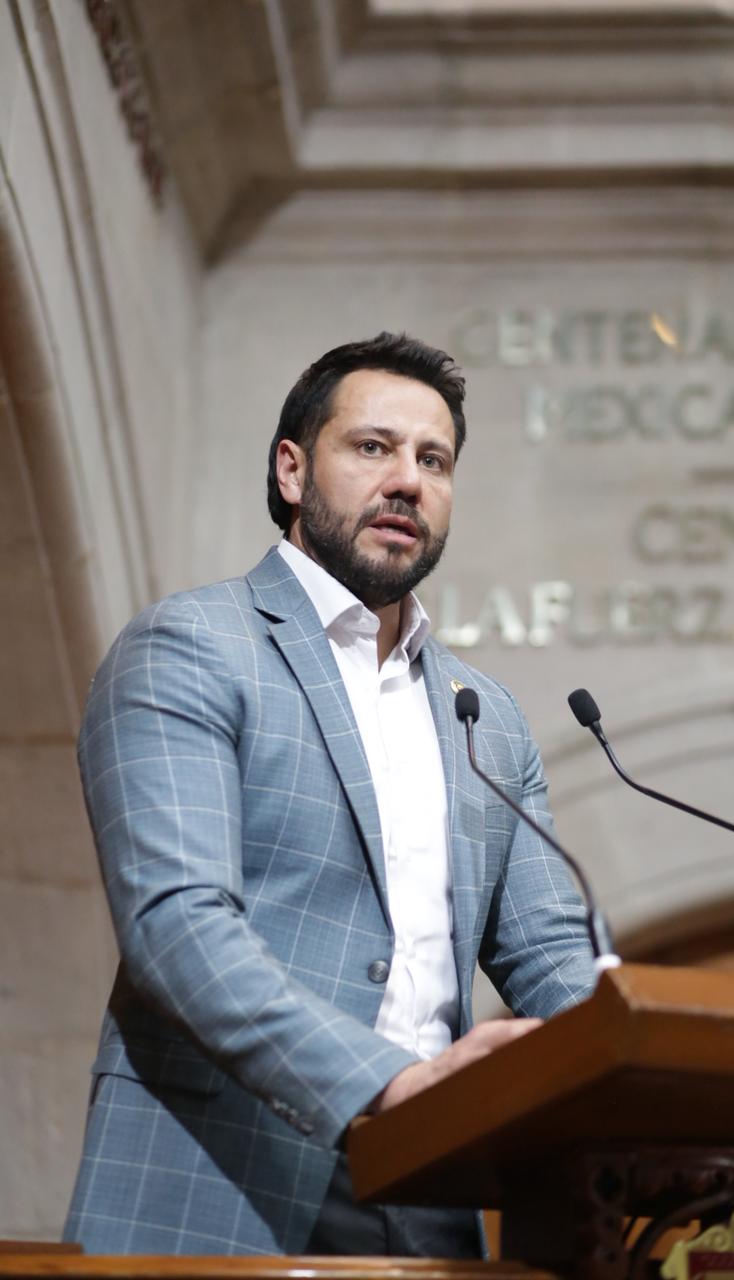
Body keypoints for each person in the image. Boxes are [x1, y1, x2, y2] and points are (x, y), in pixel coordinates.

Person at [63, 332, 594, 1256]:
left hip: (433, 1191)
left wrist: (643, 1049)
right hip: (222, 1177)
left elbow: (552, 952)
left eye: (434, 460)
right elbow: (177, 928)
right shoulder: (191, 646)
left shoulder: (486, 715)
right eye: (373, 447)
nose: (408, 481)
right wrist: (392, 1083)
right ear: (293, 469)